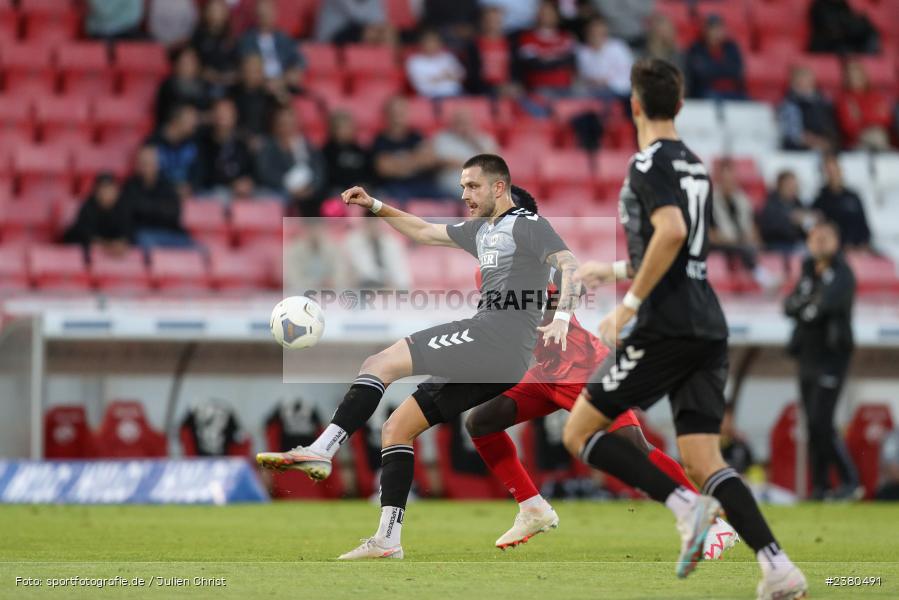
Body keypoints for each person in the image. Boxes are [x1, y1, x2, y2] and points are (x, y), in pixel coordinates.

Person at [562, 58, 807, 598]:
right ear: (678, 104)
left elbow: (670, 233)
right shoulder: (695, 165)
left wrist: (629, 303)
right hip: (706, 322)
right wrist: (619, 268)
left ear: (634, 105)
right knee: (703, 457)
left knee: (578, 431)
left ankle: (686, 508)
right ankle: (778, 568)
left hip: (665, 326)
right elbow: (686, 250)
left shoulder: (647, 164)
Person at [257, 154, 578, 561]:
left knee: (378, 364)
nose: (464, 195)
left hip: (492, 338)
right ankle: (387, 540)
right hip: (500, 355)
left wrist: (563, 316)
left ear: (499, 187)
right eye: (462, 186)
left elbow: (569, 264)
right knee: (396, 429)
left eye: (473, 186)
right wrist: (374, 206)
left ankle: (322, 449)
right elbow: (424, 231)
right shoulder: (482, 231)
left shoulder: (528, 224)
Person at [465, 184, 738, 557]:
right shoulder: (490, 269)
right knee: (481, 422)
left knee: (633, 447)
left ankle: (709, 520)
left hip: (579, 367)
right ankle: (532, 507)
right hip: (544, 373)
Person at [784, 221, 861, 501]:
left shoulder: (843, 274)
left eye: (825, 238)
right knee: (812, 424)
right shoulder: (807, 271)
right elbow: (789, 305)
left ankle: (851, 480)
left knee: (821, 420)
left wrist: (805, 307)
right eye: (815, 238)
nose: (819, 243)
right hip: (807, 355)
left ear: (836, 241)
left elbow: (825, 306)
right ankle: (819, 487)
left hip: (832, 356)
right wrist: (806, 307)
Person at [254, 107, 327, 217]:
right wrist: (290, 188)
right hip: (279, 191)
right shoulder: (268, 147)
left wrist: (311, 188)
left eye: (290, 123)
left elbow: (318, 170)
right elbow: (265, 172)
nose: (286, 127)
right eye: (282, 123)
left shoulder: (307, 146)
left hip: (308, 192)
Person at [371, 96, 443, 201]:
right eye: (394, 112)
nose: (398, 115)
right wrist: (416, 159)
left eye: (401, 111)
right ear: (387, 115)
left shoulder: (417, 135)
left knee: (450, 202)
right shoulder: (380, 140)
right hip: (396, 188)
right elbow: (384, 169)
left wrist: (399, 163)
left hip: (425, 185)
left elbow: (430, 160)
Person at [709, 158, 768, 283]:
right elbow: (710, 232)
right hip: (720, 243)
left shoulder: (742, 200)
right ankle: (762, 277)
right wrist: (730, 239)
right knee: (743, 248)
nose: (729, 184)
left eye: (731, 180)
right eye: (725, 180)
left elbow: (752, 226)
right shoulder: (710, 201)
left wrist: (751, 237)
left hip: (739, 241)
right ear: (719, 181)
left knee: (751, 246)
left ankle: (759, 276)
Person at [123, 146, 192, 250]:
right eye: (143, 163)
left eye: (149, 163)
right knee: (145, 241)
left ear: (157, 164)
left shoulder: (167, 184)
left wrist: (148, 208)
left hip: (172, 233)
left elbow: (174, 212)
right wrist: (160, 208)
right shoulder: (130, 187)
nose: (145, 167)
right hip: (145, 234)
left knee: (202, 251)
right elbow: (132, 213)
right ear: (137, 165)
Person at [238, 0, 304, 95]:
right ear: (256, 15)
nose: (265, 16)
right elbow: (248, 69)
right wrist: (266, 82)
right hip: (259, 89)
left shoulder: (283, 38)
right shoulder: (247, 40)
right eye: (262, 13)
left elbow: (300, 60)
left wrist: (293, 72)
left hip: (283, 84)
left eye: (268, 12)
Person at [195, 98, 255, 200]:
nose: (222, 116)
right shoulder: (202, 143)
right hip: (212, 193)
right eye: (219, 112)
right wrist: (232, 184)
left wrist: (248, 182)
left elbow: (249, 171)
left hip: (240, 194)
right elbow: (203, 176)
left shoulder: (242, 144)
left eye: (227, 112)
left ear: (235, 116)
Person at [432, 108, 498, 197]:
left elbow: (494, 165)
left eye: (466, 122)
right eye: (459, 122)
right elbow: (439, 162)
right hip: (449, 190)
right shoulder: (443, 139)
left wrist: (473, 141)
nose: (463, 126)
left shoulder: (484, 140)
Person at [516, 1, 577, 97]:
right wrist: (557, 59)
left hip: (564, 87)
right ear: (537, 15)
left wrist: (547, 59)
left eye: (550, 13)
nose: (546, 16)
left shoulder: (566, 37)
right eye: (543, 13)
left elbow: (570, 60)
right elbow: (533, 64)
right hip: (538, 89)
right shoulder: (527, 38)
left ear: (556, 15)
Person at [813, 153, 872, 250]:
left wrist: (863, 243)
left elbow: (863, 225)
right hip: (834, 250)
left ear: (840, 171)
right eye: (829, 171)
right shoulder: (820, 200)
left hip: (856, 248)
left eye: (834, 171)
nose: (833, 175)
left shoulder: (853, 197)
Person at [63, 173, 132, 255]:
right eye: (103, 189)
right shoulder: (88, 207)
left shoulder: (123, 207)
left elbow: (127, 233)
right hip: (82, 254)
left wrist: (121, 243)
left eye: (110, 189)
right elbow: (85, 236)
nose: (106, 193)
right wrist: (108, 246)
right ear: (96, 191)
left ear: (117, 191)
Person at [342, 213, 412, 290]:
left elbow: (401, 271)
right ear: (365, 223)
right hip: (360, 288)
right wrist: (387, 281)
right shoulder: (353, 241)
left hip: (387, 289)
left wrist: (400, 286)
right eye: (371, 223)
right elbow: (365, 270)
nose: (374, 226)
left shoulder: (391, 242)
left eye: (377, 222)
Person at [778, 66, 839, 152]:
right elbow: (793, 134)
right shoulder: (790, 105)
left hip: (827, 147)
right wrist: (816, 141)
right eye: (800, 80)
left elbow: (833, 126)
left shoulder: (825, 102)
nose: (804, 83)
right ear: (793, 83)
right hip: (800, 151)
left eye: (807, 79)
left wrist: (830, 141)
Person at [685, 14, 746, 100]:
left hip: (731, 92)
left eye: (719, 29)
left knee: (747, 101)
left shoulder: (732, 47)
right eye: (713, 29)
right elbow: (700, 75)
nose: (717, 33)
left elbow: (737, 71)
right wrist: (722, 68)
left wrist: (712, 69)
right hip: (705, 92)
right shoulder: (696, 48)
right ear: (705, 31)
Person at [836, 60, 893, 151]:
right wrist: (873, 116)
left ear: (864, 76)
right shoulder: (844, 99)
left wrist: (862, 116)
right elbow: (849, 127)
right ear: (846, 79)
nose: (855, 79)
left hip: (878, 134)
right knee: (876, 138)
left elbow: (886, 120)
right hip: (855, 141)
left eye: (857, 75)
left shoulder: (876, 96)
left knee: (878, 135)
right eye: (851, 76)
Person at [147, 104, 201, 199]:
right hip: (160, 196)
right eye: (190, 120)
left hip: (189, 196)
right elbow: (149, 177)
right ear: (175, 121)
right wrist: (173, 190)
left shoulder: (194, 143)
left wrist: (191, 187)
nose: (195, 123)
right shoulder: (153, 143)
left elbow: (200, 172)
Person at [229, 53, 284, 146]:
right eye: (248, 70)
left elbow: (285, 113)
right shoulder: (233, 94)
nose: (251, 74)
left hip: (269, 141)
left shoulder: (269, 94)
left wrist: (279, 93)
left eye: (255, 71)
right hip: (239, 140)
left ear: (262, 73)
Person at [757, 171, 816, 255]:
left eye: (794, 185)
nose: (792, 188)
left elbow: (806, 227)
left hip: (797, 244)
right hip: (778, 245)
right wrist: (790, 220)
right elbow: (769, 229)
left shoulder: (797, 203)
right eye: (788, 185)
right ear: (780, 185)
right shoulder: (771, 204)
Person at [575, 16, 633, 101]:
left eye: (599, 32)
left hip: (620, 88)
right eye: (593, 32)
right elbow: (584, 74)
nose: (596, 35)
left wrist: (607, 81)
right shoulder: (582, 51)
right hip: (593, 90)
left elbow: (628, 70)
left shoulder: (617, 46)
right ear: (587, 33)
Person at [191, 0, 239, 93]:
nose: (215, 13)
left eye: (218, 10)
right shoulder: (199, 36)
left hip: (229, 83)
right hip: (204, 83)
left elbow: (238, 64)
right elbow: (193, 61)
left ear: (226, 13)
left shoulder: (231, 36)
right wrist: (202, 72)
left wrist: (231, 76)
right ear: (206, 13)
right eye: (212, 9)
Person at [322, 111, 374, 197]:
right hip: (338, 191)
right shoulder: (327, 152)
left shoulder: (360, 151)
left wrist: (365, 185)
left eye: (349, 127)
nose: (346, 131)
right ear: (333, 130)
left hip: (359, 191)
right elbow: (328, 178)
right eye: (342, 127)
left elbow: (369, 173)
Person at [155, 47, 210, 127]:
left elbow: (207, 111)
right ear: (176, 64)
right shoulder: (168, 86)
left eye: (192, 61)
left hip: (199, 131)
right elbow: (168, 113)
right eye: (184, 62)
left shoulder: (203, 85)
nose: (188, 65)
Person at [406, 29, 466, 99]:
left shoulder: (448, 57)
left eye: (434, 41)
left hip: (457, 94)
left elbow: (461, 75)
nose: (432, 44)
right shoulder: (414, 61)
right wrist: (445, 76)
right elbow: (420, 86)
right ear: (422, 44)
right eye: (429, 42)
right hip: (431, 97)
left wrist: (435, 79)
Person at [809, 0, 878, 55]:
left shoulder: (843, 5)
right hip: (828, 46)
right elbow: (831, 29)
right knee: (846, 52)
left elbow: (850, 24)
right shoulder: (820, 6)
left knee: (870, 35)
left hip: (847, 42)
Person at [315, 0, 392, 45]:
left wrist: (381, 29)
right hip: (331, 37)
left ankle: (389, 65)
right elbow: (357, 15)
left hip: (355, 32)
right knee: (369, 32)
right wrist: (377, 28)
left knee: (388, 32)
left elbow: (380, 20)